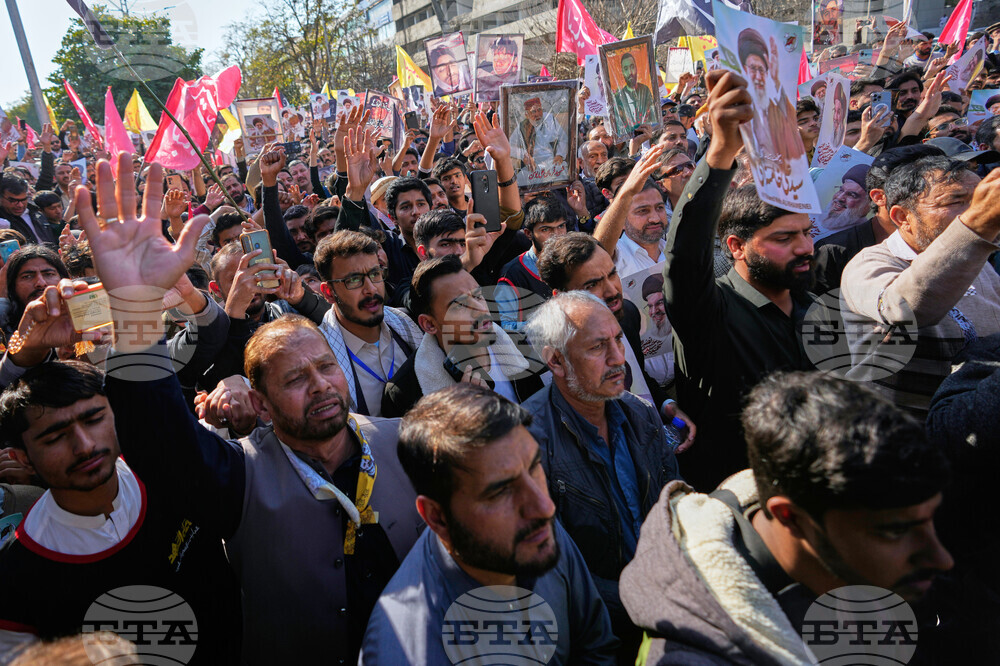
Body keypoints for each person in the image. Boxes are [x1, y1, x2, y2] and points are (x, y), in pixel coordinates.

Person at [620, 371, 954, 664]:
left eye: (929, 520)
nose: (941, 559)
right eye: (896, 531)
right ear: (790, 517)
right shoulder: (693, 657)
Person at [0, 359, 242, 663]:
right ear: (20, 458)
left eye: (94, 419)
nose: (85, 445)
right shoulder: (16, 573)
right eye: (55, 437)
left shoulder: (172, 469)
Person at [361, 384, 619, 664]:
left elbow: (596, 644)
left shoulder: (535, 528)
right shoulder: (406, 652)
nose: (544, 507)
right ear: (437, 517)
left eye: (534, 466)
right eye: (500, 492)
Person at [663, 69, 817, 491]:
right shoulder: (711, 313)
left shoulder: (813, 305)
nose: (804, 247)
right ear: (735, 245)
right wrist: (720, 153)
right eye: (785, 238)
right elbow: (683, 254)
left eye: (807, 233)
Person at [522, 291, 682, 664]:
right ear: (557, 362)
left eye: (618, 340)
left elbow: (675, 505)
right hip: (598, 637)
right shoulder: (527, 441)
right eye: (597, 347)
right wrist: (639, 602)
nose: (617, 358)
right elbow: (550, 568)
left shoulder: (640, 414)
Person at [840, 156, 1000, 415]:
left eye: (979, 201)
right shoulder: (869, 264)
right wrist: (976, 225)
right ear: (903, 217)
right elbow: (904, 310)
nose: (973, 211)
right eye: (956, 201)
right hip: (904, 434)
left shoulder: (978, 261)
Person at [381, 255, 544, 416]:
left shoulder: (523, 347)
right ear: (429, 324)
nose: (480, 309)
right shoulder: (404, 395)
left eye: (478, 296)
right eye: (460, 306)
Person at [314, 230, 423, 417]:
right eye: (354, 280)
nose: (371, 289)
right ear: (329, 293)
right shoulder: (318, 358)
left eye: (375, 274)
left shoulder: (407, 325)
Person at [496, 195, 567, 330]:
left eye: (561, 226)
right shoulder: (513, 273)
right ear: (528, 233)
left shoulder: (573, 262)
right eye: (546, 229)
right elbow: (505, 327)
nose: (557, 235)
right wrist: (547, 325)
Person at [738, 29, 804, 171]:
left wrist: (777, 80)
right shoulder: (738, 115)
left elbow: (791, 130)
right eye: (753, 69)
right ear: (744, 70)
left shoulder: (775, 110)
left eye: (762, 70)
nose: (758, 76)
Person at [510, 97, 569, 179]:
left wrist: (560, 155)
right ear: (527, 115)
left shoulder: (550, 119)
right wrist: (524, 155)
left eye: (539, 110)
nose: (537, 114)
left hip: (552, 164)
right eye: (533, 111)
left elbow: (563, 139)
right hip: (533, 167)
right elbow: (510, 147)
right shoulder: (522, 127)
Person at [0, 175, 58, 247]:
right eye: (13, 200)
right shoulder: (3, 222)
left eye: (23, 199)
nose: (20, 205)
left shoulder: (37, 213)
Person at [610, 51, 655, 136]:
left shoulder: (645, 90)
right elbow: (620, 126)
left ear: (636, 68)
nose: (630, 72)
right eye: (626, 69)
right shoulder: (619, 97)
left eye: (632, 67)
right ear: (622, 72)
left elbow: (653, 116)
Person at [817, 163, 870, 233]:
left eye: (851, 195)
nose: (839, 197)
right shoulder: (816, 217)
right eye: (841, 190)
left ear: (868, 205)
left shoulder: (860, 235)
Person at [475, 35, 520, 101]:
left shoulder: (515, 82)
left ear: (514, 61)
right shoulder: (485, 79)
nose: (498, 64)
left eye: (503, 60)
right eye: (496, 60)